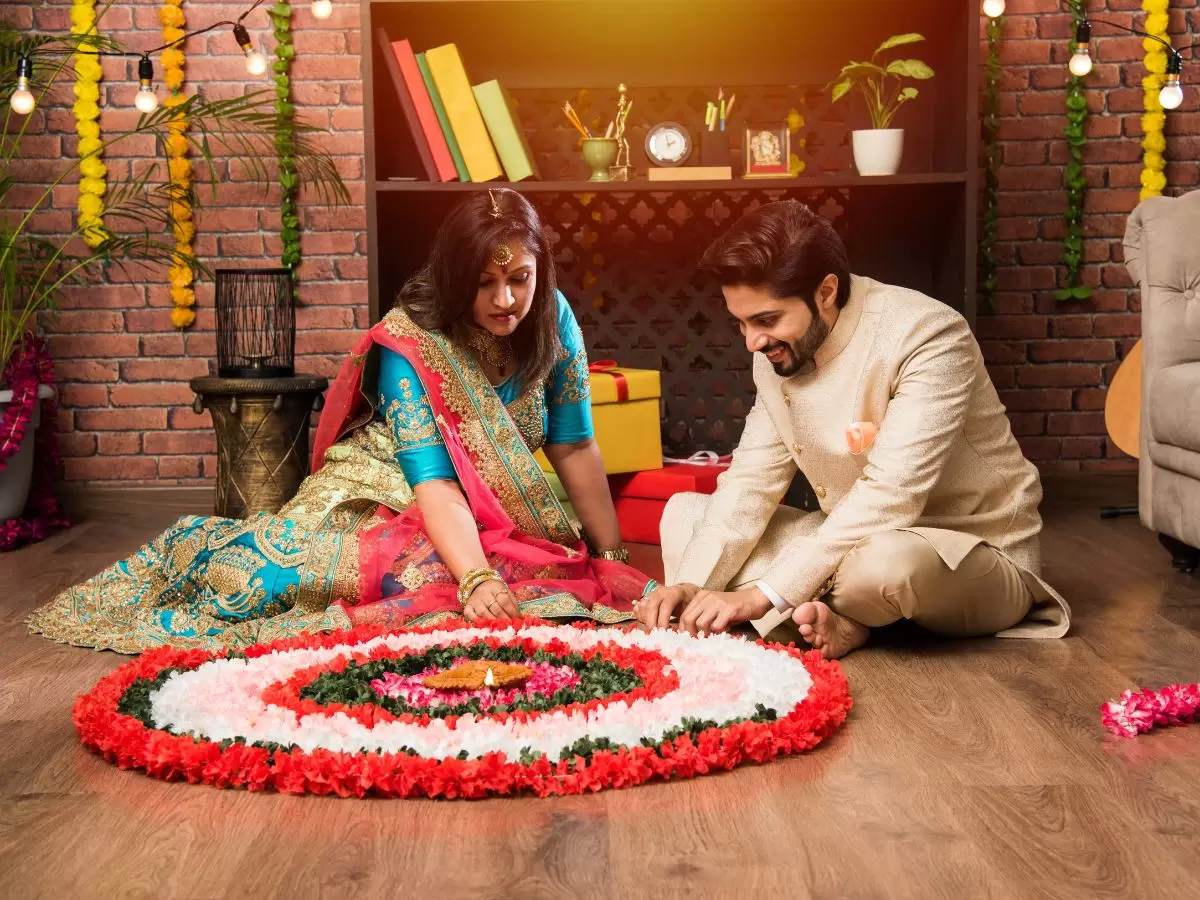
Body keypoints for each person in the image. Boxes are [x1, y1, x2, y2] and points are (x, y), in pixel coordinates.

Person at [29, 189, 655, 654]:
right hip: (382, 489)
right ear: (454, 277)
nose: (505, 300)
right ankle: (200, 551)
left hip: (483, 510)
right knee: (388, 580)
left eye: (519, 279)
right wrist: (475, 579)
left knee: (532, 581)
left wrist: (613, 561)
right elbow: (434, 480)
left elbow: (574, 445)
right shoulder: (412, 340)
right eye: (484, 283)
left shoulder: (552, 318)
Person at [638, 199, 1070, 658]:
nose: (751, 342)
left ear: (826, 292)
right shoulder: (777, 351)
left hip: (966, 551)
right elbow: (751, 481)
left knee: (884, 567)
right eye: (740, 322)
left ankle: (805, 611)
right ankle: (841, 619)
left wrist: (760, 594)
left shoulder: (928, 333)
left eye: (766, 320)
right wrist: (691, 586)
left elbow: (893, 494)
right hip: (852, 539)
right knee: (684, 514)